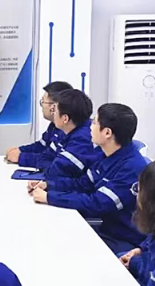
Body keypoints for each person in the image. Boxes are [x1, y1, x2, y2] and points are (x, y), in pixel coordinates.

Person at [29, 103, 147, 254]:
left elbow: (97, 204)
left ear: (107, 132)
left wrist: (50, 197)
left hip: (124, 240)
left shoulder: (131, 167)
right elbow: (83, 184)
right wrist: (49, 186)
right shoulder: (105, 154)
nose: (90, 126)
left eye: (95, 122)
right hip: (106, 230)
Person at [6, 81, 74, 169]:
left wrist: (21, 157)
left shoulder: (68, 131)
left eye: (43, 102)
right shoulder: (54, 126)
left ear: (54, 106)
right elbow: (42, 147)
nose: (42, 107)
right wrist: (19, 150)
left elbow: (53, 161)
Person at [40, 89, 99, 182]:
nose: (52, 113)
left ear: (65, 118)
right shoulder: (67, 131)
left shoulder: (83, 139)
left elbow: (56, 172)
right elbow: (47, 157)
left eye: (54, 110)